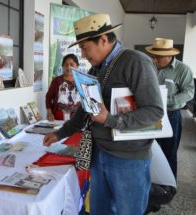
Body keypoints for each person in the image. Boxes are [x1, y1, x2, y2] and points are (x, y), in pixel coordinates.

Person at [43, 13, 164, 215]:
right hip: (99, 153)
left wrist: (110, 120)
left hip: (129, 159)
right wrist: (60, 133)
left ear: (103, 40)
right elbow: (84, 109)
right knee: (100, 210)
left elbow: (154, 111)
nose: (82, 54)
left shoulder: (135, 61)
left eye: (84, 47)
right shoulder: (95, 69)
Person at [145, 38, 195, 179]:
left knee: (169, 152)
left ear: (169, 55)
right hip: (149, 114)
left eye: (158, 57)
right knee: (150, 150)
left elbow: (189, 93)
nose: (154, 59)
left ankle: (168, 186)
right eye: (153, 56)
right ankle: (153, 183)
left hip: (171, 115)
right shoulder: (150, 66)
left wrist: (166, 100)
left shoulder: (183, 70)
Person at [46, 54, 81, 121]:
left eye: (71, 64)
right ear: (62, 66)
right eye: (66, 65)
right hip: (58, 120)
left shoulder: (82, 81)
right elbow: (48, 97)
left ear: (77, 66)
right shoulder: (57, 81)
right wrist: (49, 113)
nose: (68, 67)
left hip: (77, 120)